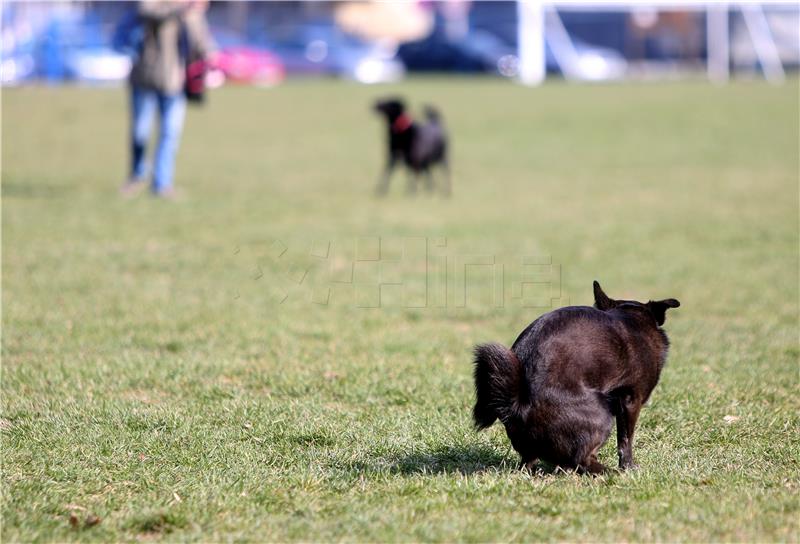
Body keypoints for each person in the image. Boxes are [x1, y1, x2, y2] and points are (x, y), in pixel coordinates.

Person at [116, 0, 214, 198]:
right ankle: (137, 175)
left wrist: (209, 51)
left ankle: (162, 184)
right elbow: (146, 10)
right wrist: (182, 7)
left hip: (175, 81)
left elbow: (202, 42)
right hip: (144, 78)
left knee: (170, 134)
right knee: (140, 132)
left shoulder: (189, 10)